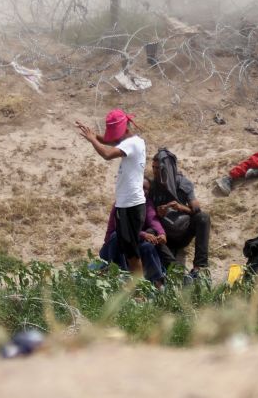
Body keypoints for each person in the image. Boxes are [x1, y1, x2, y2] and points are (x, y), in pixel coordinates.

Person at [77, 108, 147, 281]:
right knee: (128, 250)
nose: (114, 137)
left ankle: (139, 291)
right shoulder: (129, 143)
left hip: (132, 205)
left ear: (125, 128)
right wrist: (93, 135)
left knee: (132, 253)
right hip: (126, 205)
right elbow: (111, 142)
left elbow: (107, 154)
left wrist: (93, 139)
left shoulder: (133, 143)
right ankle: (134, 286)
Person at [148, 149, 212, 283]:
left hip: (183, 233)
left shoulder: (183, 183)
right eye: (153, 167)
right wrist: (158, 214)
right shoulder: (152, 186)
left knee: (203, 218)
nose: (155, 171)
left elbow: (196, 209)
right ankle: (175, 269)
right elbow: (148, 213)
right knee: (149, 232)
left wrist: (180, 207)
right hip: (164, 235)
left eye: (159, 168)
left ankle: (198, 268)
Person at [100, 192, 168, 288]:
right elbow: (120, 228)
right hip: (113, 247)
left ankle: (158, 282)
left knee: (147, 246)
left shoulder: (146, 203)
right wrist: (143, 234)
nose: (143, 190)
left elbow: (153, 220)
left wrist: (162, 233)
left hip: (132, 244)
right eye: (141, 187)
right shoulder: (121, 203)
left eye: (146, 188)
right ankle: (121, 275)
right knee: (117, 236)